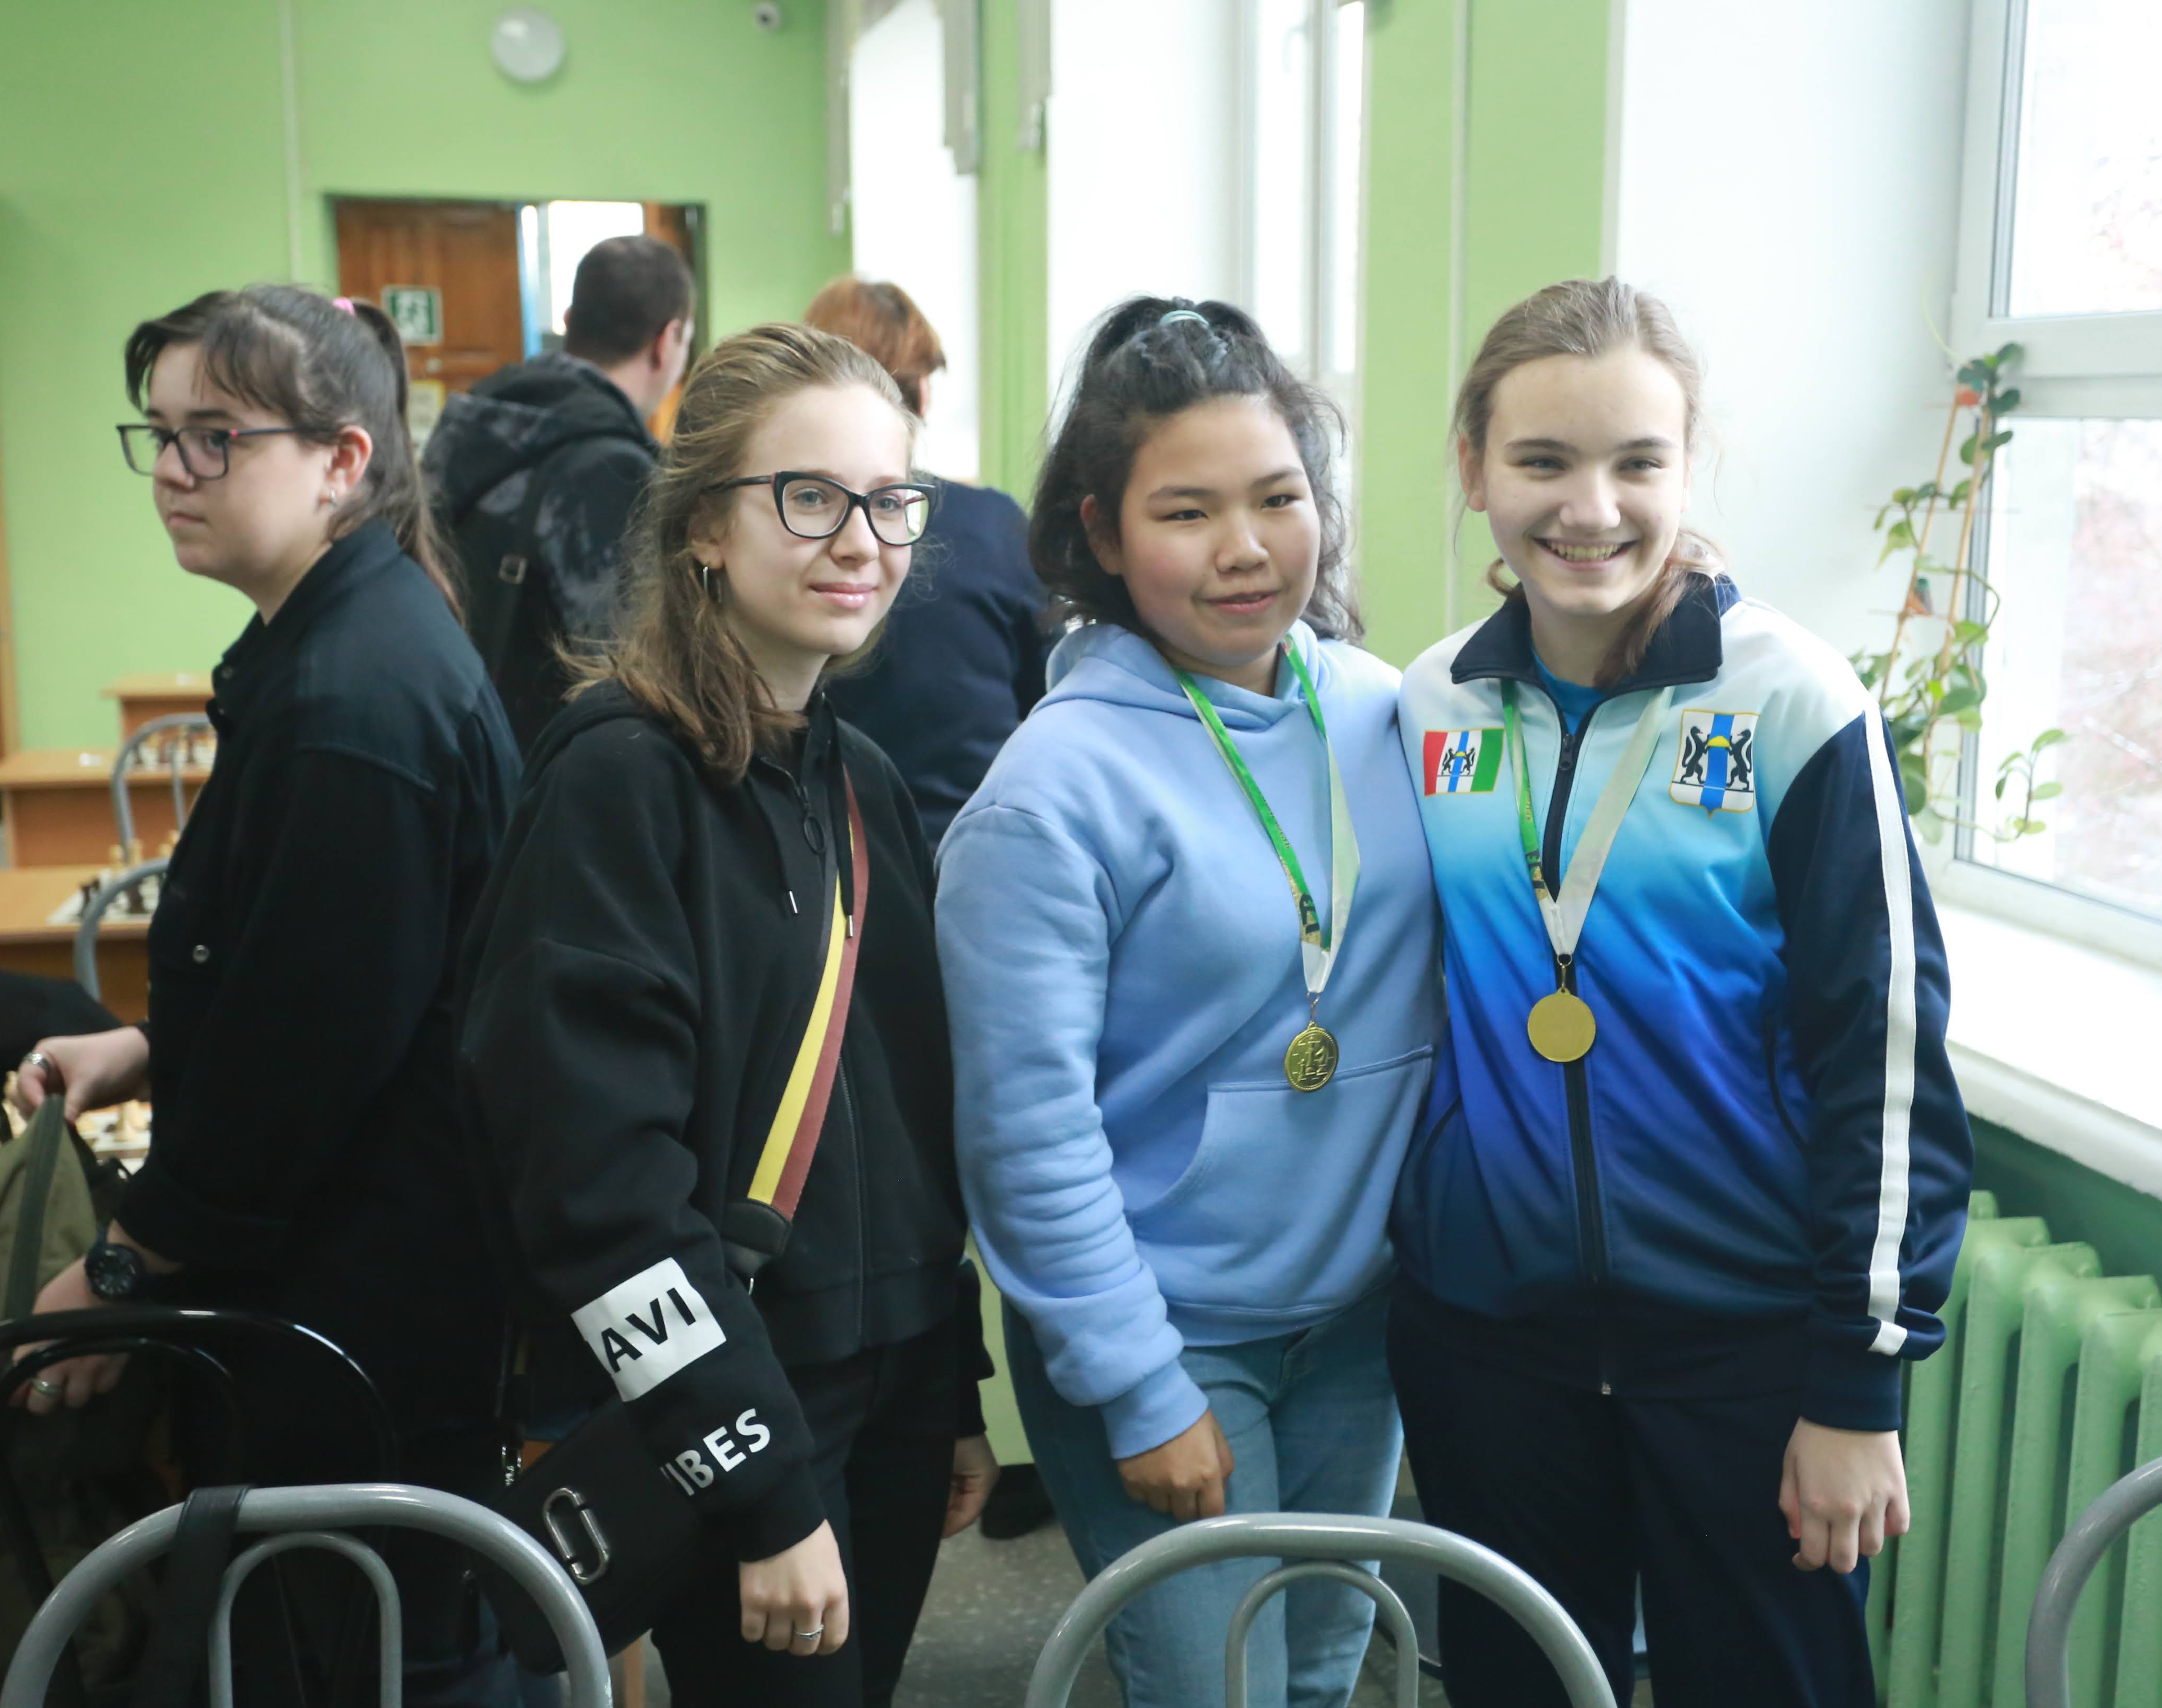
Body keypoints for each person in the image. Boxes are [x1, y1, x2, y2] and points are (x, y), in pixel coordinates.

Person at [1391, 276, 1973, 1707]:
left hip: (1747, 1349)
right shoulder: (1429, 705)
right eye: (1542, 460)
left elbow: (1884, 1057)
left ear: (1685, 468)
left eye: (1635, 462)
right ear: (1472, 469)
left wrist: (1856, 1384)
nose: (1589, 507)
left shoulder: (1794, 703)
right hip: (1491, 1346)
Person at [456, 322, 998, 1708]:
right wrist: (757, 1483)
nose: (860, 540)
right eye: (808, 498)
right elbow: (597, 1188)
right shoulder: (617, 782)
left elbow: (907, 1118)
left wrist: (951, 1387)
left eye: (890, 501)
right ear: (704, 525)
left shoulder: (864, 781)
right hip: (742, 1395)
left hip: (894, 1382)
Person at [15, 285, 523, 1704]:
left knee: (372, 1656)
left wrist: (122, 1267)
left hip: (362, 1301)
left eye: (218, 437)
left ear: (342, 461)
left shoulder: (353, 698)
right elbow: (329, 970)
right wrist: (149, 1044)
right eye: (162, 434)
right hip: (350, 1273)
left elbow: (308, 1063)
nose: (175, 471)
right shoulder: (337, 640)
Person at [937, 299, 1443, 1708]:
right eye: (1186, 511)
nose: (1245, 547)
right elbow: (1025, 1134)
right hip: (1168, 1331)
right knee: (1217, 1690)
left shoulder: (1386, 711)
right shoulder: (1048, 795)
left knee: (1322, 1673)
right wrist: (1138, 1385)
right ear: (1100, 535)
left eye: (1278, 498)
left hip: (1355, 1321)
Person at [425, 233, 694, 753]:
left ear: (570, 322)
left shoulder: (473, 423)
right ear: (667, 341)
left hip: (448, 742)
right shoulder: (616, 472)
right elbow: (631, 674)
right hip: (543, 772)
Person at [806, 276, 1046, 844]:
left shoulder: (993, 526)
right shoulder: (995, 526)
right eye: (811, 502)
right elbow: (1047, 696)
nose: (862, 547)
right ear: (921, 394)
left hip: (853, 849)